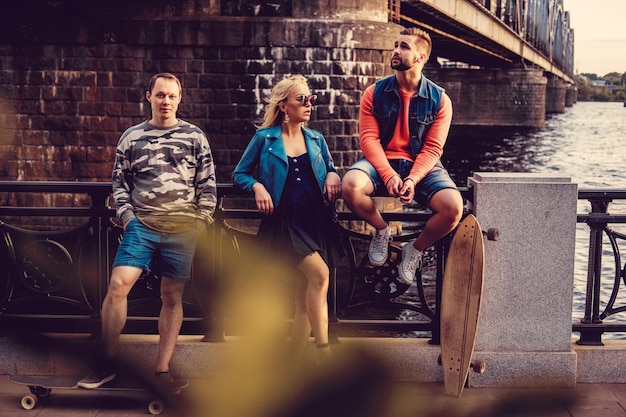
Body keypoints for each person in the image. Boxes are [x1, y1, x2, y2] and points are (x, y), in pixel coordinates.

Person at [77, 72, 217, 389]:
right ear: (148, 97)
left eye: (171, 95)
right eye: (160, 95)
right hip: (141, 227)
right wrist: (128, 218)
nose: (165, 101)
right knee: (117, 287)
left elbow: (207, 188)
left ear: (180, 99)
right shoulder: (131, 137)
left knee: (171, 297)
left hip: (183, 230)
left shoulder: (196, 137)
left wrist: (198, 225)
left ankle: (162, 370)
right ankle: (107, 364)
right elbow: (120, 184)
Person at [232, 75, 343, 365]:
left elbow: (330, 169)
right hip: (284, 222)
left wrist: (333, 174)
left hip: (315, 220)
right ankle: (324, 353)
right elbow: (239, 174)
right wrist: (257, 187)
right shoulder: (264, 139)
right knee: (320, 275)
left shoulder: (316, 139)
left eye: (311, 99)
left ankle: (292, 364)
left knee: (304, 295)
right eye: (301, 99)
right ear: (284, 106)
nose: (309, 105)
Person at [341, 27, 463, 285]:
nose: (396, 50)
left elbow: (432, 148)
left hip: (422, 164)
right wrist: (388, 175)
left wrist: (412, 179)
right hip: (381, 161)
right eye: (396, 45)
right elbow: (369, 139)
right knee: (350, 186)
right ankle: (382, 230)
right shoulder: (374, 93)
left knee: (453, 208)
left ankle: (415, 249)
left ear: (421, 57)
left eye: (404, 46)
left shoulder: (440, 100)